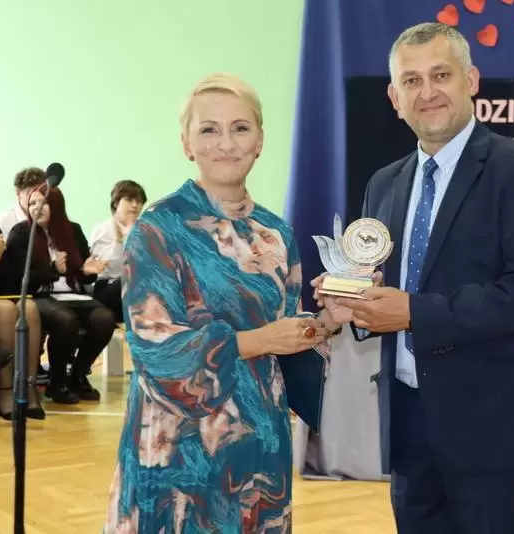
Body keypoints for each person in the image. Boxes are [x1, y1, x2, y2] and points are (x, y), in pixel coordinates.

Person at [312, 23, 514, 534]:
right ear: (394, 98)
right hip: (410, 427)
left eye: (441, 75)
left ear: (471, 81)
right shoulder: (384, 183)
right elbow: (383, 286)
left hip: (499, 429)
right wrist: (354, 305)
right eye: (411, 81)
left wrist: (412, 312)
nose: (427, 92)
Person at [104, 73, 342, 533]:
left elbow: (288, 332)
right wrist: (260, 340)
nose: (226, 143)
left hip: (259, 446)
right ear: (187, 143)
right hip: (179, 451)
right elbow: (156, 348)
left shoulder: (275, 233)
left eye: (240, 128)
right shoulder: (157, 228)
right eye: (209, 129)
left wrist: (328, 321)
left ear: (260, 141)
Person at [5, 187, 115, 404]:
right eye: (32, 203)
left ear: (56, 205)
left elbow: (84, 275)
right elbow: (20, 279)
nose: (36, 208)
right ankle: (57, 382)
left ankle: (78, 375)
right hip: (37, 296)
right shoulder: (21, 233)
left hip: (72, 295)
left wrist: (87, 272)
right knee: (65, 320)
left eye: (43, 203)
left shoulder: (73, 230)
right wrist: (53, 270)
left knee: (105, 319)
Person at [0, 223, 46, 420]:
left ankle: (28, 387)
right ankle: (5, 391)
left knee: (28, 307)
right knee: (6, 310)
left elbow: (10, 285)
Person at [89, 179, 148, 322]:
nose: (135, 205)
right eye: (129, 200)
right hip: (109, 288)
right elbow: (111, 267)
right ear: (116, 203)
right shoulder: (102, 230)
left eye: (139, 201)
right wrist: (122, 240)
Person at [0, 167, 47, 239]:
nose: (36, 197)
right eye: (31, 193)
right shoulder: (2, 224)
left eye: (42, 192)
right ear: (18, 193)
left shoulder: (50, 217)